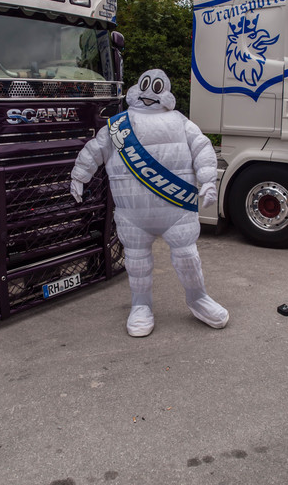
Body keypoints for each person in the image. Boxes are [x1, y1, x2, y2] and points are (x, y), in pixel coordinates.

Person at [70, 69, 229, 337]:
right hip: (132, 216)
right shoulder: (117, 126)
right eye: (146, 86)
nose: (149, 93)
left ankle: (198, 298)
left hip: (177, 211)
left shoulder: (181, 123)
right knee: (137, 262)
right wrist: (79, 175)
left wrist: (208, 181)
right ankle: (140, 305)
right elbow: (94, 150)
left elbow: (203, 150)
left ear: (165, 92)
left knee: (188, 257)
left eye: (156, 87)